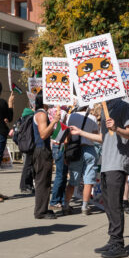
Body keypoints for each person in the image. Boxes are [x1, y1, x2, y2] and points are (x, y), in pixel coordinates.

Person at [71, 96, 129, 258]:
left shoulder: (123, 107)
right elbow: (103, 138)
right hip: (107, 163)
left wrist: (117, 128)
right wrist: (81, 133)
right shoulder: (106, 109)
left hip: (118, 162)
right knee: (107, 204)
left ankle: (118, 243)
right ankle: (112, 239)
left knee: (115, 204)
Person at [66, 106, 100, 216]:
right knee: (88, 179)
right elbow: (95, 136)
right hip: (89, 149)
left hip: (75, 149)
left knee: (73, 179)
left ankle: (66, 204)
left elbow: (67, 134)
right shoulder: (92, 118)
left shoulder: (71, 116)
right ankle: (85, 206)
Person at [32, 92, 60, 220]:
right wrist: (54, 120)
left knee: (45, 181)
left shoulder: (39, 113)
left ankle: (42, 208)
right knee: (42, 181)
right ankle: (40, 211)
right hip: (42, 150)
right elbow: (43, 134)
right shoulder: (41, 114)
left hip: (42, 149)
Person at [17, 106, 35, 194]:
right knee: (28, 166)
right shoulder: (31, 119)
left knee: (28, 165)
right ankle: (25, 186)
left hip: (26, 144)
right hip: (30, 144)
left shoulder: (24, 118)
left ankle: (28, 185)